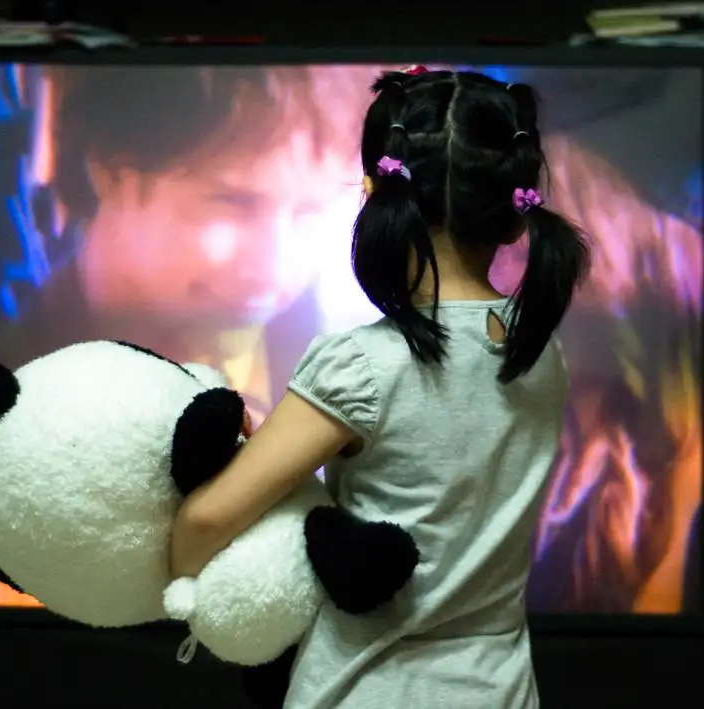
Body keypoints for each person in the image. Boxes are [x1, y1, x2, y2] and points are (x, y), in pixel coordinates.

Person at [169, 68, 590, 708]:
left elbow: (205, 521)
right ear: (512, 213)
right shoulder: (540, 353)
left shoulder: (361, 367)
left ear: (373, 194)